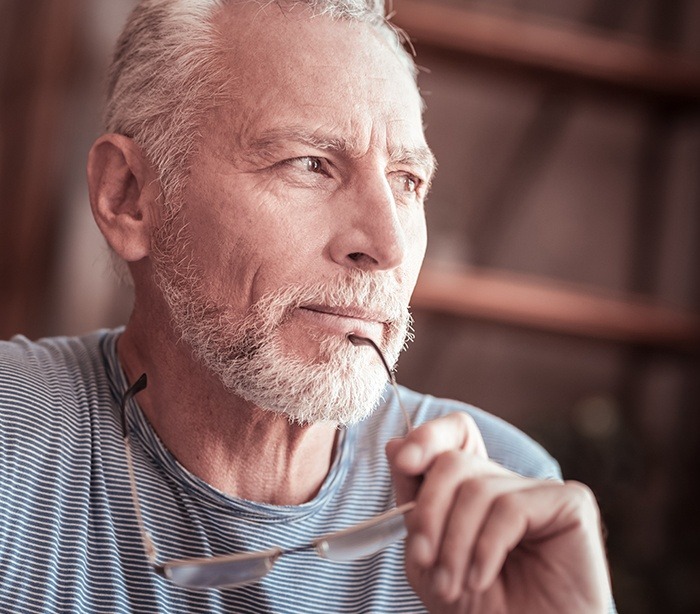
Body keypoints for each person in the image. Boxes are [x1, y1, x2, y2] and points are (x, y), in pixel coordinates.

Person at [0, 0, 614, 612]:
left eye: (406, 182)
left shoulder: (505, 505)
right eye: (309, 165)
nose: (387, 246)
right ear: (128, 197)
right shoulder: (14, 439)